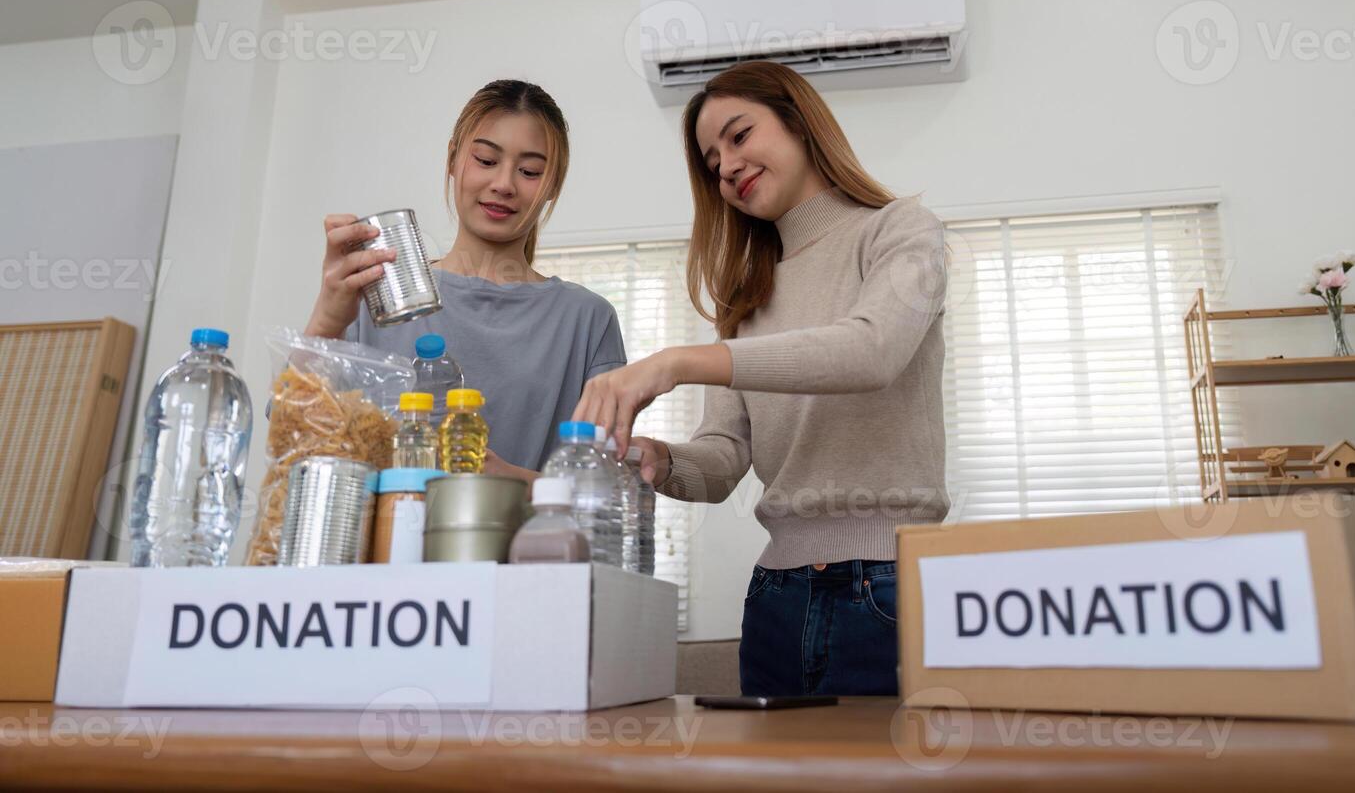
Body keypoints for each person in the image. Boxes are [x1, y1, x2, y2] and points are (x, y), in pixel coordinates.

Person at [573, 61, 948, 696]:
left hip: (887, 586)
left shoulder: (900, 231)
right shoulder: (747, 297)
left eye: (739, 136)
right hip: (777, 597)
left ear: (800, 123)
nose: (725, 165)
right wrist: (651, 458)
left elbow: (871, 351)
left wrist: (674, 364)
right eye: (711, 159)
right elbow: (722, 463)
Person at [306, 79, 626, 481]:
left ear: (553, 186)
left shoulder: (587, 320)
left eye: (529, 171)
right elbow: (299, 437)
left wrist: (516, 484)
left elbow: (609, 486)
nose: (504, 184)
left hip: (527, 545)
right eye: (486, 161)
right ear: (453, 161)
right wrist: (327, 318)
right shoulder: (377, 294)